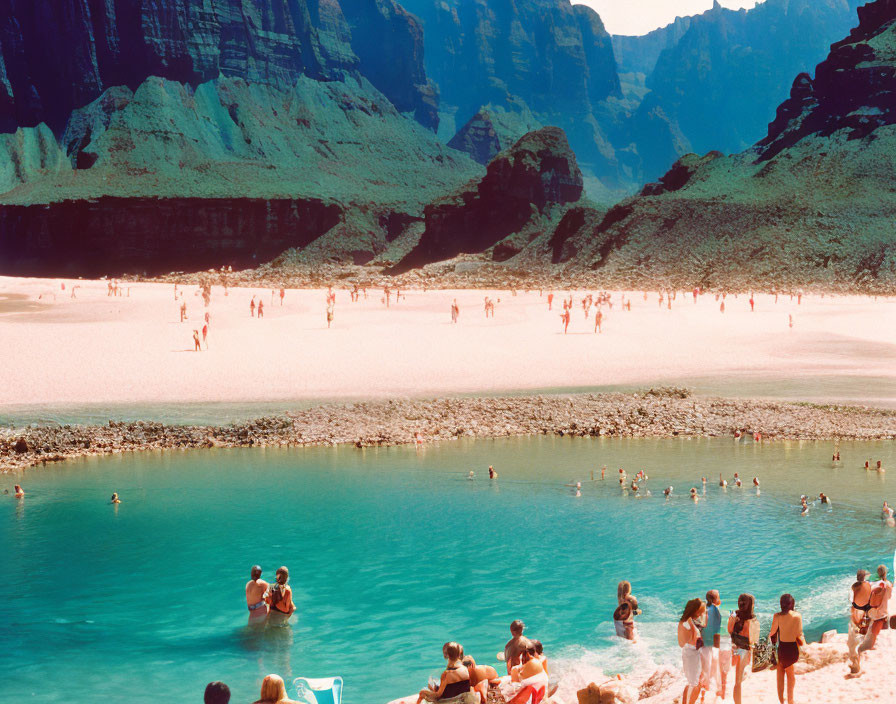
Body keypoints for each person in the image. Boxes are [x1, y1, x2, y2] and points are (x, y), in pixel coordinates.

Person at [769, 594, 804, 704]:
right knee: (791, 678)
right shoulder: (797, 616)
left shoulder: (777, 616)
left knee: (780, 675)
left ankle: (781, 701)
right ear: (792, 604)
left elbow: (772, 633)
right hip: (791, 649)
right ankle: (790, 701)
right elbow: (798, 635)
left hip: (781, 649)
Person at [728, 594, 759, 704]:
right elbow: (753, 640)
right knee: (738, 682)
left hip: (734, 649)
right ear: (751, 605)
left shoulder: (733, 615)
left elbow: (729, 631)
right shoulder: (752, 620)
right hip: (744, 651)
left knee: (738, 679)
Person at [858, 565, 892, 657]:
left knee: (872, 625)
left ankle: (867, 641)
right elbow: (889, 597)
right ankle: (868, 646)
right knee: (877, 627)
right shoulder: (887, 584)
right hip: (881, 611)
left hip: (871, 609)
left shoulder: (873, 582)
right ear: (885, 573)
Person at [702, 590, 730, 701]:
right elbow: (716, 631)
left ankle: (702, 696)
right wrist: (717, 648)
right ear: (715, 600)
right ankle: (718, 693)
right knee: (714, 671)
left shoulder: (704, 609)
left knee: (704, 672)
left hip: (702, 644)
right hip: (711, 645)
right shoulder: (716, 611)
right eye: (718, 597)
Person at [677, 598, 706, 704]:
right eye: (700, 611)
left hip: (693, 654)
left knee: (693, 683)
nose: (702, 613)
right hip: (692, 655)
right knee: (695, 683)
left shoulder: (691, 621)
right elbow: (684, 642)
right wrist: (694, 632)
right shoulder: (687, 623)